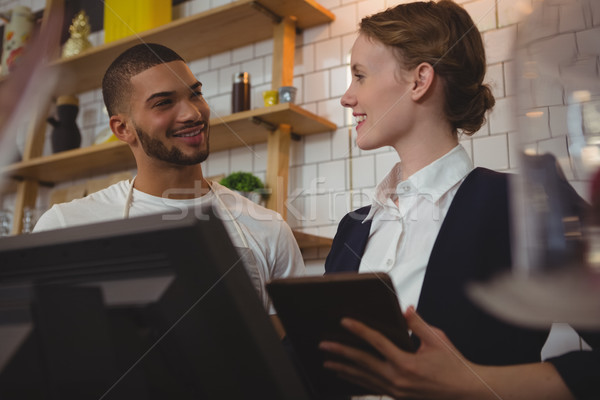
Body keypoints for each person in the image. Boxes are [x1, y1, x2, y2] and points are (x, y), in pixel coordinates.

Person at [319, 1, 599, 399]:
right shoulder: (353, 227)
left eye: (359, 76)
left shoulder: (525, 202)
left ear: (419, 81)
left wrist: (473, 384)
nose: (347, 98)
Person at [33, 43, 305, 329]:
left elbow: (289, 348)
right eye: (164, 102)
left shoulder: (269, 229)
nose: (192, 113)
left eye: (195, 94)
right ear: (122, 129)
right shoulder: (64, 227)